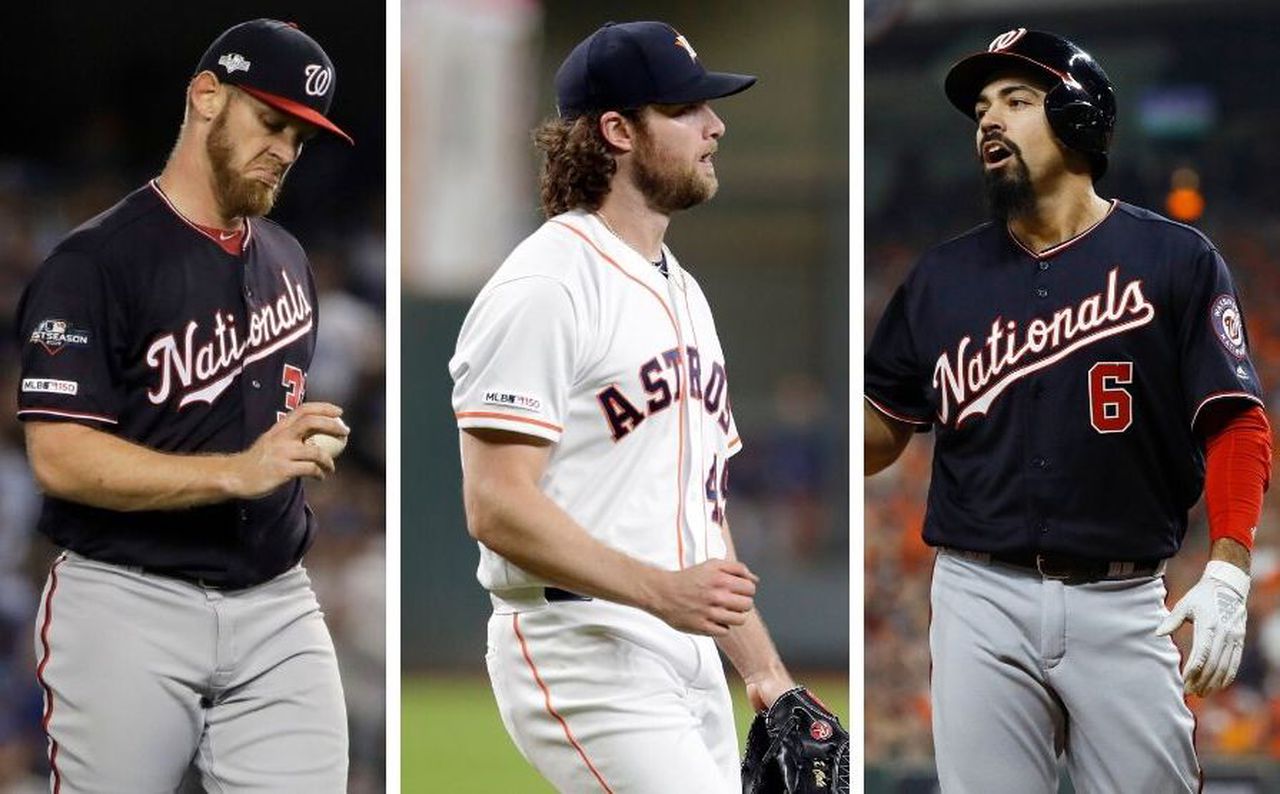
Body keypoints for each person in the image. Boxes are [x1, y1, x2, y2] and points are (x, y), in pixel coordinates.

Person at [865, 28, 1272, 793]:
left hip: (1121, 598)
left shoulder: (1175, 259)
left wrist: (1228, 567)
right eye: (982, 107)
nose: (989, 119)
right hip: (978, 594)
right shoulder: (940, 278)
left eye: (1017, 101)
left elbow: (1236, 421)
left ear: (1082, 119)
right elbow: (885, 424)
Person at [450, 20, 798, 792]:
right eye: (685, 110)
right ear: (618, 131)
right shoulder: (547, 284)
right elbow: (496, 504)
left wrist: (765, 673)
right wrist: (661, 593)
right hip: (579, 640)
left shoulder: (684, 289)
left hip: (682, 650)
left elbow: (701, 521)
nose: (716, 126)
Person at [17, 19, 355, 792]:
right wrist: (237, 471)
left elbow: (261, 430)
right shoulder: (93, 263)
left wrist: (299, 442)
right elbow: (60, 456)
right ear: (207, 96)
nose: (285, 149)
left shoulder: (287, 258)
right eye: (271, 122)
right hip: (128, 600)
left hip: (277, 603)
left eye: (301, 138)